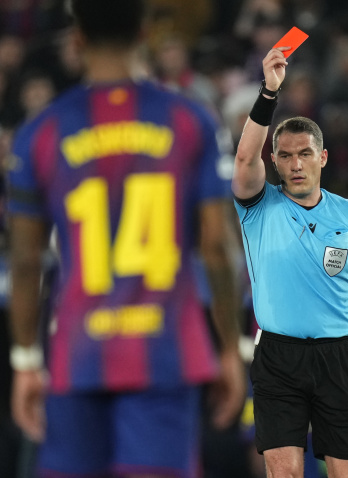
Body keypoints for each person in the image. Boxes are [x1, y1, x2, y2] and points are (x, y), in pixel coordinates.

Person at [7, 0, 245, 476]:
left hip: (77, 351)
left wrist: (26, 359)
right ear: (144, 32)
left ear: (76, 39)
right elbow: (218, 248)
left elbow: (27, 260)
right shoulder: (189, 121)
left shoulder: (42, 132)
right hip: (166, 350)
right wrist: (229, 348)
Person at [230, 44, 348, 478]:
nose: (295, 164)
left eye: (304, 154)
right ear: (274, 161)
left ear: (322, 158)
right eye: (285, 155)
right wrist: (269, 93)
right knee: (285, 472)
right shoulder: (258, 206)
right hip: (277, 355)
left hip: (337, 356)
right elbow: (243, 156)